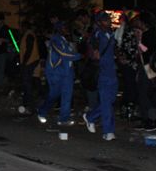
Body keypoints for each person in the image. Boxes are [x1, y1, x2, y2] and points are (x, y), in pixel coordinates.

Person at [37, 22, 80, 126]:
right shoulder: (56, 40)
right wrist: (79, 56)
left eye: (67, 28)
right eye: (64, 28)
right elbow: (63, 54)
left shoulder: (65, 40)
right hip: (55, 73)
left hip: (66, 73)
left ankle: (63, 119)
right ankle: (42, 111)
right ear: (59, 29)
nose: (66, 30)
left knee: (67, 95)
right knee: (54, 94)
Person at [83, 11, 118, 140]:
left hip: (112, 72)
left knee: (110, 100)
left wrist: (120, 57)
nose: (108, 21)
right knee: (107, 103)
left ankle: (90, 117)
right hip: (103, 73)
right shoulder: (98, 33)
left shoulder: (110, 34)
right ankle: (108, 131)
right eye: (104, 20)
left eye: (108, 19)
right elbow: (96, 42)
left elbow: (113, 48)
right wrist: (96, 50)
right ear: (98, 23)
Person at [18, 20, 40, 114]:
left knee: (27, 83)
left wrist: (24, 63)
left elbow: (29, 50)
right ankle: (26, 102)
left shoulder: (29, 35)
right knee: (26, 82)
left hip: (29, 61)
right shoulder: (29, 34)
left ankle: (31, 104)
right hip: (30, 61)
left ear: (24, 27)